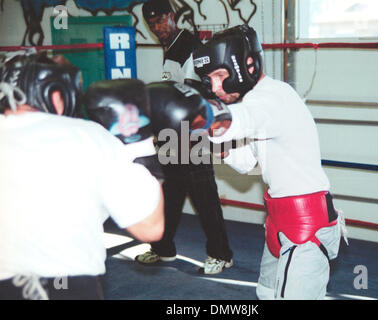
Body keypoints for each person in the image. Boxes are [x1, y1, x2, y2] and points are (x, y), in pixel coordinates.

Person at [147, 24, 345, 299]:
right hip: (279, 220)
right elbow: (245, 162)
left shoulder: (272, 97)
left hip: (306, 226)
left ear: (248, 65)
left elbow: (241, 120)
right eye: (209, 80)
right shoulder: (256, 101)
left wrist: (198, 114)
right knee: (265, 293)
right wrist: (208, 138)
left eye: (220, 75)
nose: (215, 87)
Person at [0, 52, 164, 300]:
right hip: (67, 285)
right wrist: (139, 143)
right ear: (57, 95)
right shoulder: (88, 136)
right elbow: (150, 227)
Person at [135, 0, 234, 275]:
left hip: (193, 130)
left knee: (204, 194)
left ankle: (222, 254)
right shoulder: (174, 45)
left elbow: (194, 94)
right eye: (152, 24)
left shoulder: (188, 45)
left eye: (160, 21)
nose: (157, 28)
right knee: (171, 191)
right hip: (175, 132)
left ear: (171, 16)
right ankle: (163, 248)